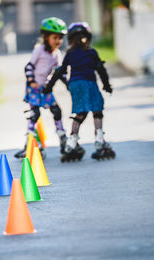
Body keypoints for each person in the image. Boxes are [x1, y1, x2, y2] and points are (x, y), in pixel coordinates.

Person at [43, 22, 115, 162]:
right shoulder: (91, 52)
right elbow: (101, 69)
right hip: (89, 83)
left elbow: (60, 71)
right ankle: (99, 141)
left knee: (80, 113)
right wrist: (107, 86)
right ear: (87, 38)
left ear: (70, 39)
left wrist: (49, 87)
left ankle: (71, 143)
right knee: (97, 110)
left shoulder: (69, 53)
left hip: (75, 84)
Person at [14, 17, 68, 159]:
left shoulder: (57, 54)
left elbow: (59, 73)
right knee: (35, 115)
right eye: (55, 37)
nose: (58, 41)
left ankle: (63, 139)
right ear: (45, 36)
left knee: (57, 111)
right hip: (34, 88)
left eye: (60, 38)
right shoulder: (39, 50)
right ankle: (29, 145)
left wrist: (68, 84)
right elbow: (29, 66)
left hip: (45, 88)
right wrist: (31, 81)